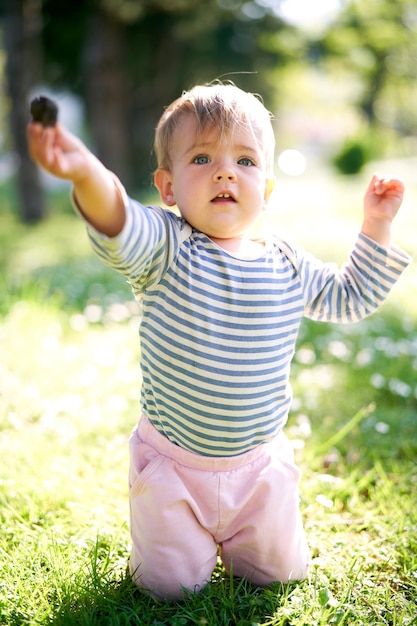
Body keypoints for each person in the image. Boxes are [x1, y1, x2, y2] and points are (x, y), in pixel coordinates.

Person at [27, 82, 411, 601]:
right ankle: (181, 546)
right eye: (202, 157)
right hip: (175, 472)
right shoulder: (166, 248)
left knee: (280, 577)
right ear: (167, 188)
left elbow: (351, 297)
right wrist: (84, 172)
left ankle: (249, 539)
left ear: (268, 190)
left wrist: (376, 226)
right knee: (167, 590)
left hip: (259, 470)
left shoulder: (287, 263)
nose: (225, 172)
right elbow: (118, 219)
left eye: (246, 161)